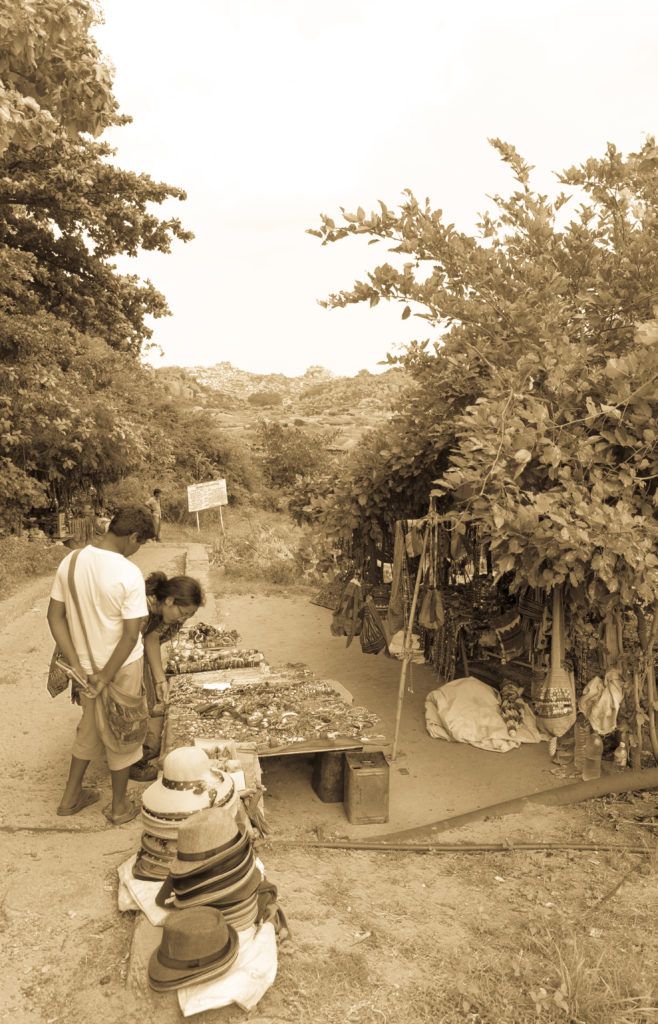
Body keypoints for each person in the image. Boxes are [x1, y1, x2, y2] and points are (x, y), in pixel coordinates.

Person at [47, 507, 156, 824]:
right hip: (120, 667)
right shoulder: (129, 573)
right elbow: (130, 634)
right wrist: (106, 676)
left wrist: (80, 666)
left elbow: (55, 618)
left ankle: (70, 798)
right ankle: (119, 808)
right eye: (140, 543)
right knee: (123, 730)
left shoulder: (71, 561)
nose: (137, 549)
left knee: (91, 726)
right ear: (133, 537)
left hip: (86, 667)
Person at [129, 573, 205, 782]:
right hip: (117, 657)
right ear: (170, 600)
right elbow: (127, 643)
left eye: (188, 616)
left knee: (147, 699)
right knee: (131, 704)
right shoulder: (142, 609)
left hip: (133, 655)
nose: (182, 619)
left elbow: (151, 639)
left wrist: (159, 680)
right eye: (183, 612)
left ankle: (136, 753)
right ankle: (129, 762)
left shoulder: (162, 612)